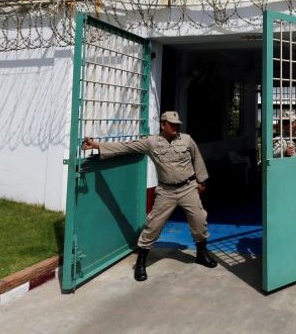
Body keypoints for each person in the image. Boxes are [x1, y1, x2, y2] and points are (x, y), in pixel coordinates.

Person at [81, 110, 217, 282]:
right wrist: (97, 145)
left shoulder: (187, 139)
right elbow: (126, 147)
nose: (175, 127)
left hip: (188, 187)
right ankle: (141, 262)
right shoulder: (151, 142)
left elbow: (197, 159)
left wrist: (201, 180)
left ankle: (201, 253)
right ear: (163, 125)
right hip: (166, 191)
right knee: (153, 225)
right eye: (172, 124)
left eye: (177, 125)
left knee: (199, 219)